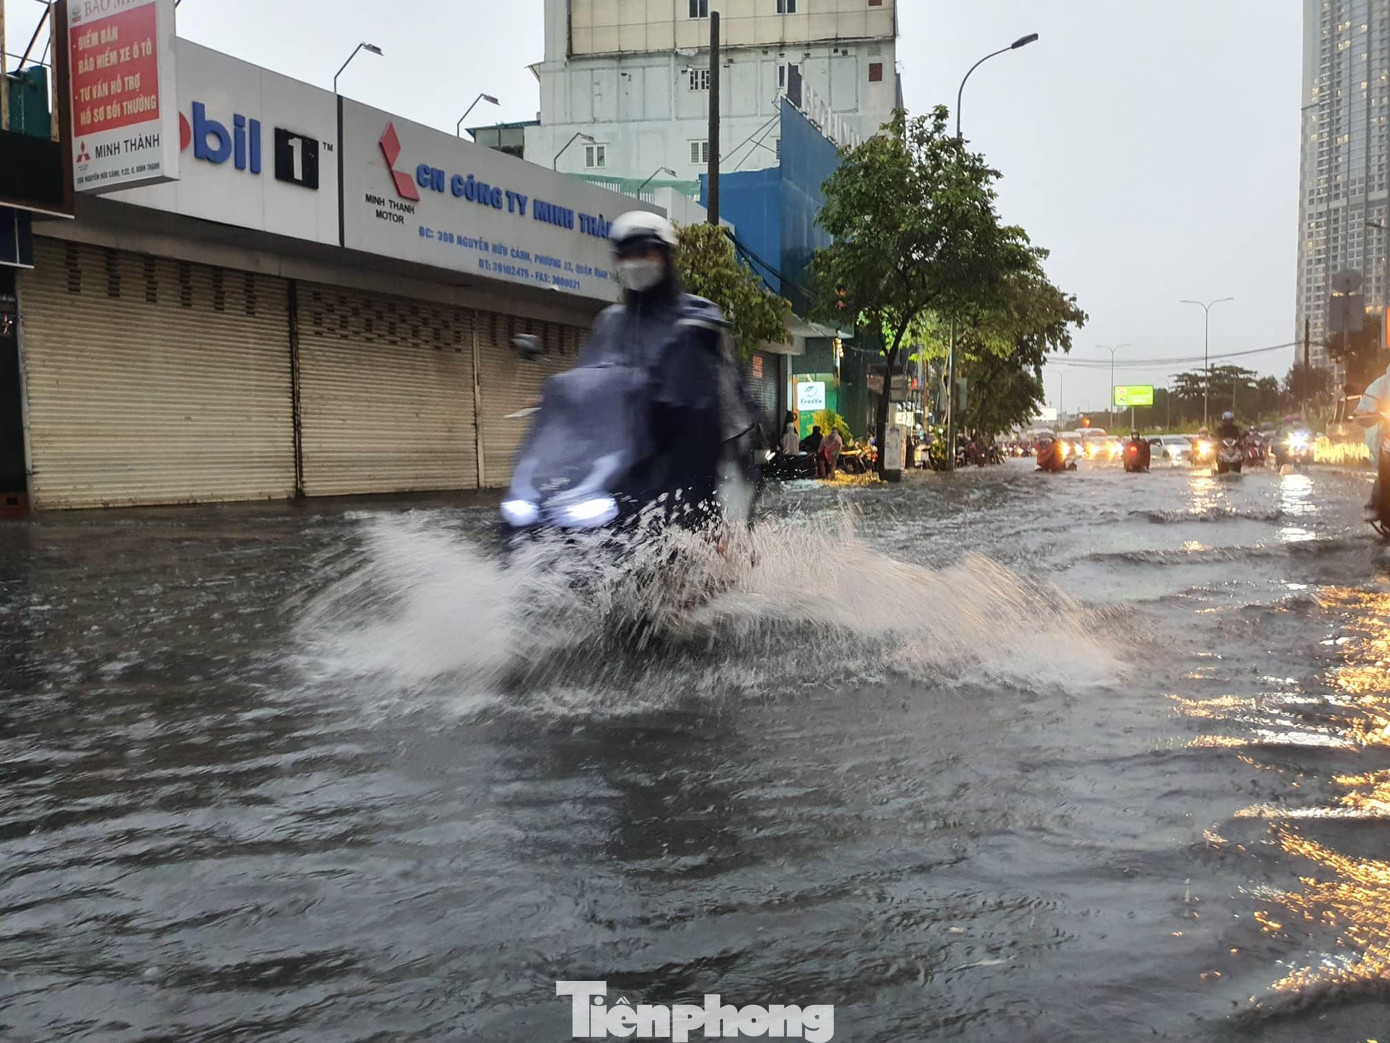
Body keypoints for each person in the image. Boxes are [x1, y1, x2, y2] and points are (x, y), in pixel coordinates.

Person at [573, 210, 758, 530]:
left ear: (665, 257)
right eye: (626, 255)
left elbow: (729, 414)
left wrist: (729, 514)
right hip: (626, 469)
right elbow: (586, 384)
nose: (635, 262)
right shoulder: (610, 324)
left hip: (695, 467)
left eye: (645, 252)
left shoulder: (698, 318)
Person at [1354, 362, 1390, 517]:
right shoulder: (1381, 384)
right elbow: (1364, 407)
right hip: (1388, 437)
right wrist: (1364, 411)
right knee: (1386, 471)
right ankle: (1374, 504)